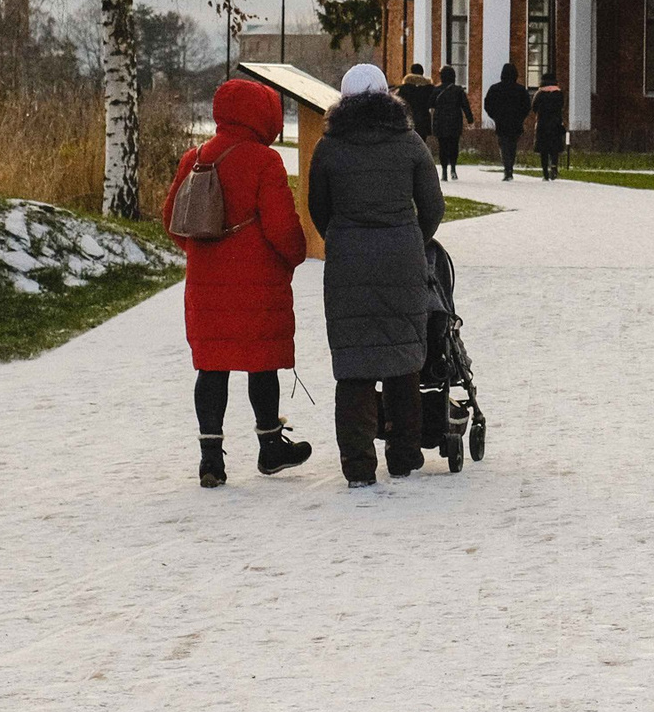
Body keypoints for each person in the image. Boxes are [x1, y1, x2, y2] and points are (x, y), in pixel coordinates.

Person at [163, 77, 314, 488]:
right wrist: (295, 255)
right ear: (262, 115)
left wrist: (202, 251)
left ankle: (211, 459)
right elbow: (283, 229)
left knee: (211, 366)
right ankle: (270, 448)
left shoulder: (193, 157)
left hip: (205, 283)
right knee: (261, 363)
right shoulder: (265, 162)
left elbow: (172, 221)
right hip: (258, 282)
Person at [307, 62, 442, 486]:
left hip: (348, 259)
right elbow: (433, 207)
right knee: (404, 360)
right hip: (402, 255)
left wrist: (341, 237)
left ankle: (359, 466)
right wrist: (410, 238)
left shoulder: (329, 147)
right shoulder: (410, 143)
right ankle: (403, 457)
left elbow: (317, 208)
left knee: (353, 366)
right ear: (388, 96)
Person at [483, 62, 530, 180]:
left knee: (503, 145)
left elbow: (488, 104)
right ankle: (510, 168)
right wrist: (521, 117)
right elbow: (527, 106)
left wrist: (494, 116)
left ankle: (506, 168)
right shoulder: (520, 90)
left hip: (501, 121)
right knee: (512, 145)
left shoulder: (495, 89)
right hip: (515, 122)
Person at [431, 64, 472, 181]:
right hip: (455, 121)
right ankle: (453, 169)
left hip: (441, 121)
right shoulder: (458, 90)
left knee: (442, 146)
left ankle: (444, 171)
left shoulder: (437, 89)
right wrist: (470, 118)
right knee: (454, 145)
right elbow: (465, 105)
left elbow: (430, 103)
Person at [531, 80, 566, 180]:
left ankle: (545, 173)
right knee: (554, 147)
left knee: (544, 149)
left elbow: (534, 107)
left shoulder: (540, 94)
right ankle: (554, 165)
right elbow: (562, 106)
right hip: (556, 124)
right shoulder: (559, 94)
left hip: (542, 124)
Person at [396, 61, 434, 134]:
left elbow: (400, 102)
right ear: (422, 72)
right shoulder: (429, 87)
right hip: (424, 118)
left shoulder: (405, 87)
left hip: (409, 118)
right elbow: (431, 102)